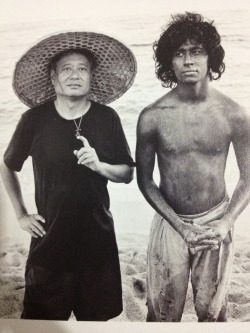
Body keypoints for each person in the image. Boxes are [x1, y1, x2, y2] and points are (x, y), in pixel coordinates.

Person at [0, 31, 137, 320]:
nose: (75, 75)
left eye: (82, 69)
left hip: (97, 245)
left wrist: (100, 166)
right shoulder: (33, 120)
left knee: (97, 323)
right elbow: (8, 165)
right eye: (67, 69)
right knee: (41, 325)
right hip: (49, 243)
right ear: (53, 78)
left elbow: (126, 173)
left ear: (91, 77)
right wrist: (21, 214)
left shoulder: (106, 117)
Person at [136, 12, 250, 322]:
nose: (188, 60)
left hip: (216, 221)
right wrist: (180, 224)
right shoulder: (152, 116)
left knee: (213, 311)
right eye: (179, 52)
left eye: (197, 51)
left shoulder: (234, 114)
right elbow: (145, 182)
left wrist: (226, 222)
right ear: (168, 62)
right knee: (161, 312)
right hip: (170, 223)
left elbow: (248, 177)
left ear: (210, 57)